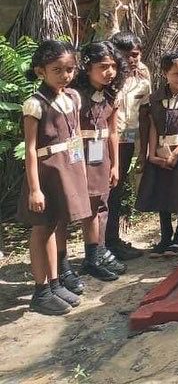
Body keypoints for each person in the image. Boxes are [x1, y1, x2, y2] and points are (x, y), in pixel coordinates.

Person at [17, 40, 90, 315]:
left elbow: (75, 136)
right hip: (46, 173)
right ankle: (41, 291)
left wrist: (81, 171)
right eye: (57, 70)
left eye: (69, 69)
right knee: (42, 229)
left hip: (67, 170)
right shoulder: (35, 104)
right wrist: (35, 189)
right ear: (41, 71)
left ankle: (55, 282)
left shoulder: (72, 98)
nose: (65, 75)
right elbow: (30, 150)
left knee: (57, 225)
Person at [136, 49, 178, 256]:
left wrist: (177, 153)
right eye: (176, 74)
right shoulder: (154, 98)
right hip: (160, 152)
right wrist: (151, 155)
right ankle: (165, 237)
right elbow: (152, 126)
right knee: (162, 194)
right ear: (165, 73)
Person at [70, 41, 127, 282]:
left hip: (101, 155)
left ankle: (96, 254)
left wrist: (115, 164)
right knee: (80, 209)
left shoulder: (111, 94)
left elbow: (113, 132)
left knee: (100, 205)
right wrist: (76, 166)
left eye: (113, 66)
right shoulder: (74, 96)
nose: (109, 72)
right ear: (87, 67)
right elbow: (71, 133)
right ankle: (68, 264)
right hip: (79, 156)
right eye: (103, 66)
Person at [105, 31, 151, 261]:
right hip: (102, 143)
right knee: (103, 194)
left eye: (135, 54)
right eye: (125, 55)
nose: (131, 60)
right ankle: (102, 245)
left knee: (117, 191)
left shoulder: (142, 77)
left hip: (126, 143)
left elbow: (144, 114)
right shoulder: (107, 76)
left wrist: (144, 150)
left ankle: (112, 241)